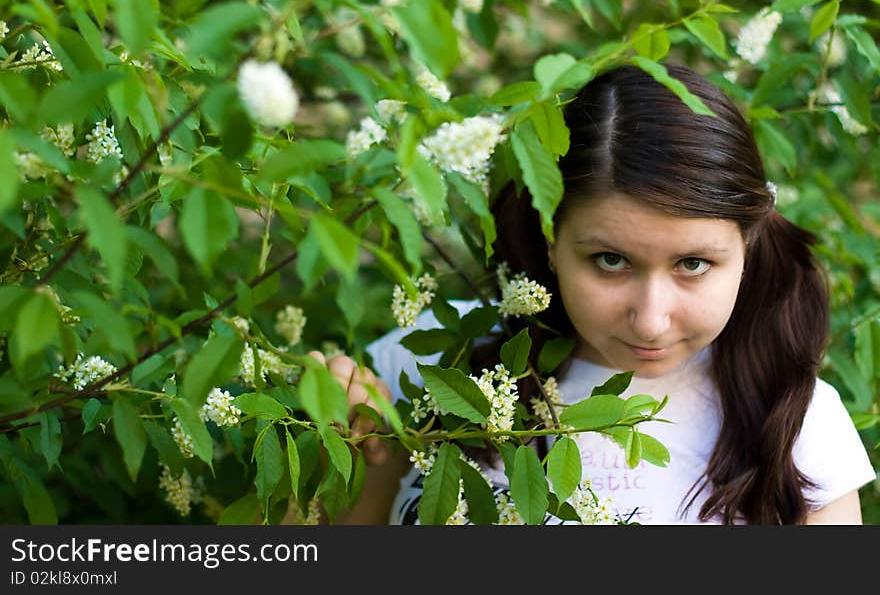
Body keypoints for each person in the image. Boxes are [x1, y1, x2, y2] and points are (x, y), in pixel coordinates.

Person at [315, 63, 875, 525]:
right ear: (551, 241)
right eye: (611, 261)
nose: (651, 320)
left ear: (747, 249)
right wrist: (329, 467)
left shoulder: (796, 423)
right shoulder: (425, 362)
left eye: (694, 264)